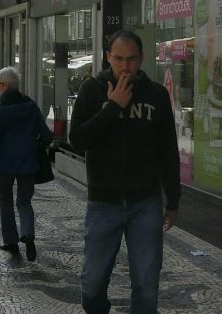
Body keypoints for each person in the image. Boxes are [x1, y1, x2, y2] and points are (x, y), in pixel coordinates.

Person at [69, 30, 180, 314]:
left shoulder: (155, 95)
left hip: (146, 202)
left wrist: (174, 199)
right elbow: (78, 139)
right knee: (92, 287)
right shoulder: (92, 90)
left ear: (141, 59)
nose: (125, 66)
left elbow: (167, 148)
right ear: (108, 57)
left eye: (131, 59)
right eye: (118, 59)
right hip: (104, 202)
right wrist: (112, 107)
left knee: (146, 285)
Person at [0, 66, 52, 259]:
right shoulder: (31, 106)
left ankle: (11, 241)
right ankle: (27, 233)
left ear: (4, 85)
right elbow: (46, 135)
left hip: (5, 165)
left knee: (5, 201)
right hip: (28, 163)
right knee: (24, 201)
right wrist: (36, 147)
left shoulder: (0, 111)